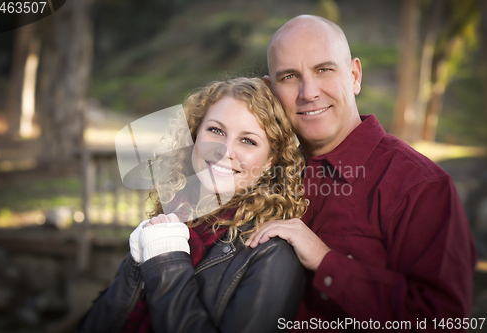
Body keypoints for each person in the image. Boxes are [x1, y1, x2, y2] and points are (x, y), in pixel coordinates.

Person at [245, 15, 478, 331]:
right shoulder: (258, 170)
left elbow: (444, 320)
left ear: (354, 76)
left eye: (324, 70)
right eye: (289, 77)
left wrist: (325, 262)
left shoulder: (420, 185)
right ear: (271, 91)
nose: (308, 92)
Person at [76, 77, 308, 333]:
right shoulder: (174, 216)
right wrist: (134, 265)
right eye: (216, 131)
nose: (223, 150)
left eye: (248, 141)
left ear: (269, 161)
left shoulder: (272, 255)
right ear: (195, 135)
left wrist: (166, 263)